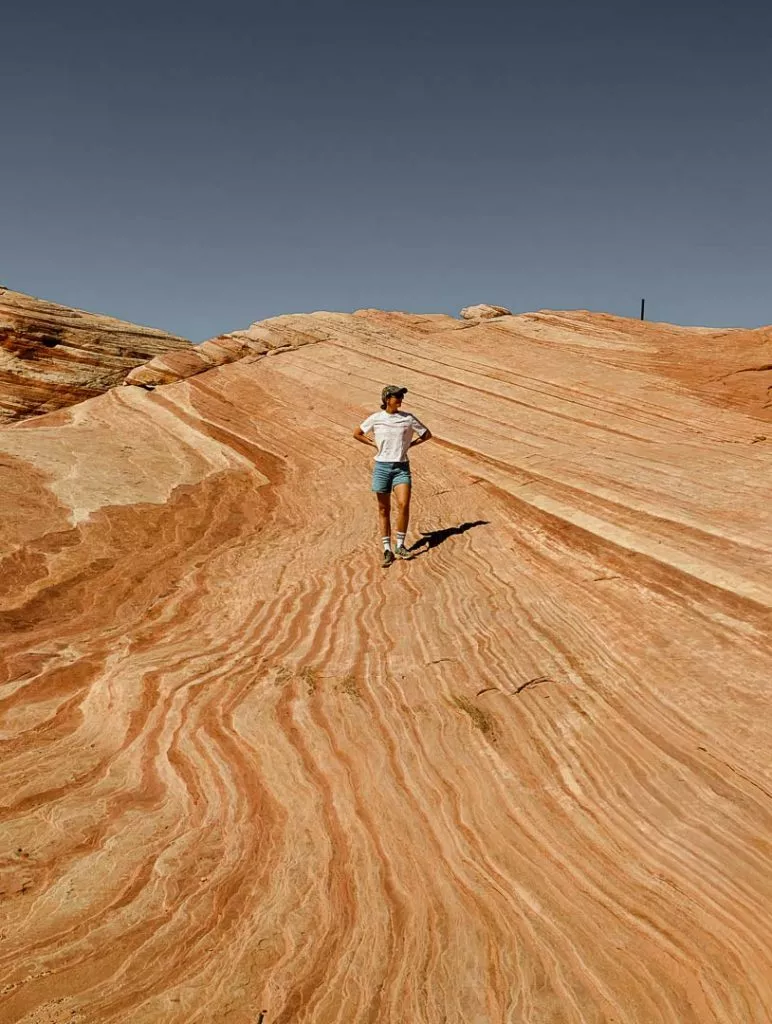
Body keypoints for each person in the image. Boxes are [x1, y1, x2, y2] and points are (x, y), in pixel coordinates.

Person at [354, 385, 433, 567]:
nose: (400, 399)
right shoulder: (376, 418)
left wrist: (410, 445)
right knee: (384, 509)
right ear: (386, 399)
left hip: (401, 467)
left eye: (400, 396)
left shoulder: (408, 419)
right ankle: (387, 549)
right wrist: (373, 444)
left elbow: (427, 434)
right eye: (396, 396)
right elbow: (357, 433)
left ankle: (400, 545)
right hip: (381, 466)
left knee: (403, 504)